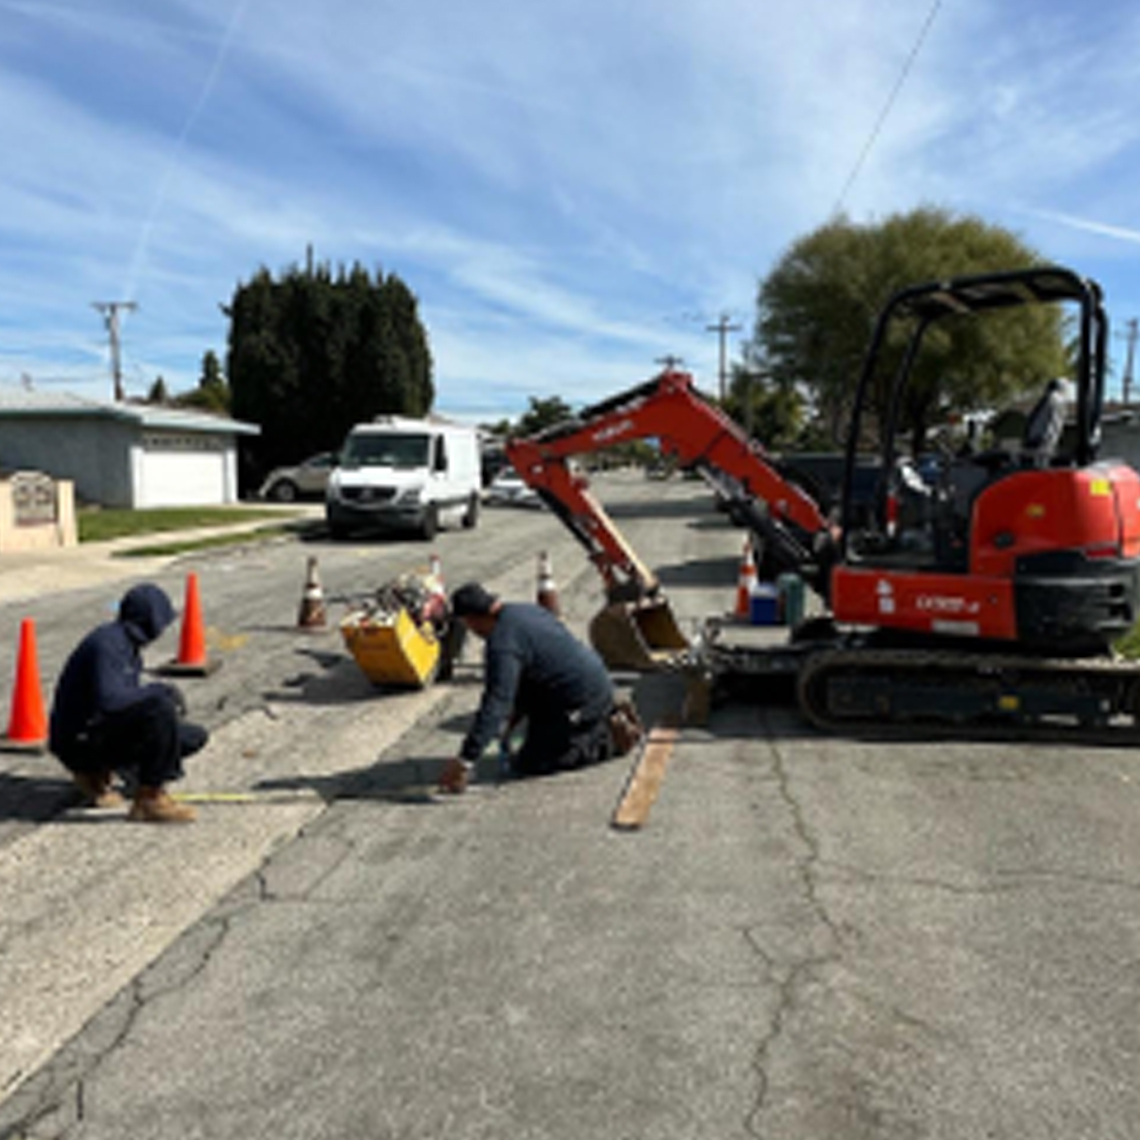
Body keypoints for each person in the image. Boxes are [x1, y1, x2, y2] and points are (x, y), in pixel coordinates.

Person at [49, 583, 208, 823]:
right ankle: (148, 799)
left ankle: (117, 773)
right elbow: (110, 701)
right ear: (151, 620)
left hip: (96, 729)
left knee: (191, 736)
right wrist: (159, 691)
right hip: (78, 740)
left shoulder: (126, 645)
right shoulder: (108, 645)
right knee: (159, 708)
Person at [438, 582, 615, 794]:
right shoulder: (525, 611)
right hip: (593, 684)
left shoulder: (502, 644)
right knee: (531, 744)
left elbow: (495, 704)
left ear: (472, 619)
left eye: (467, 624)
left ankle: (604, 737)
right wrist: (516, 715)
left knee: (532, 764)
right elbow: (526, 677)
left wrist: (465, 760)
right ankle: (591, 722)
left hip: (582, 700)